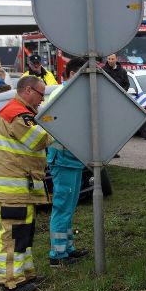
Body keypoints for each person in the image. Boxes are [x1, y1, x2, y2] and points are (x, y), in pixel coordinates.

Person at [0, 76, 54, 291]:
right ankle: (10, 285)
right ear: (27, 91)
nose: (41, 100)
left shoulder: (23, 112)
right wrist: (57, 124)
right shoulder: (15, 113)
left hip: (20, 190)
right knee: (13, 237)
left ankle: (25, 276)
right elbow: (39, 140)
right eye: (40, 94)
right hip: (12, 191)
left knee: (23, 235)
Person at [45, 57, 89, 267]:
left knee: (68, 207)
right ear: (73, 74)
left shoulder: (70, 95)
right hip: (63, 158)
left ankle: (68, 249)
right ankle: (58, 256)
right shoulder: (60, 95)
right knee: (62, 207)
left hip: (72, 159)